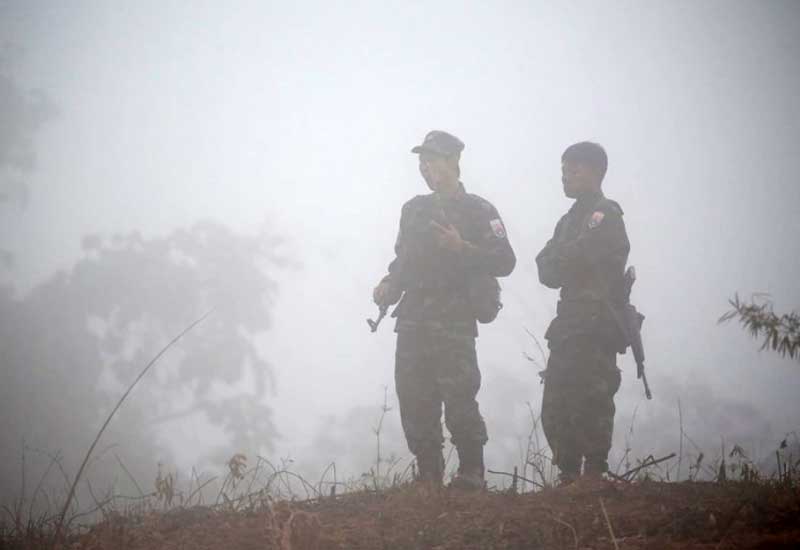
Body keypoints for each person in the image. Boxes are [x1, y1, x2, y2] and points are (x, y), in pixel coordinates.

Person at [373, 130, 516, 489]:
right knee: (414, 397)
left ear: (454, 161)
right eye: (422, 162)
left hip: (454, 318)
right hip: (413, 318)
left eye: (433, 160)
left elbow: (505, 260)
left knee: (459, 395)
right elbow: (402, 261)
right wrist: (389, 284)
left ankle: (471, 473)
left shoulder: (479, 210)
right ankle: (428, 475)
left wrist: (462, 247)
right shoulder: (414, 209)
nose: (426, 168)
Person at [535, 141, 630, 484]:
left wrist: (567, 258)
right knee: (557, 401)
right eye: (563, 170)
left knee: (592, 396)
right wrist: (568, 258)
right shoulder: (568, 221)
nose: (565, 176)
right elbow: (545, 268)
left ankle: (592, 474)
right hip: (569, 322)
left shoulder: (606, 214)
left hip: (596, 320)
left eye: (573, 169)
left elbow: (580, 257)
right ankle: (568, 474)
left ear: (596, 171)